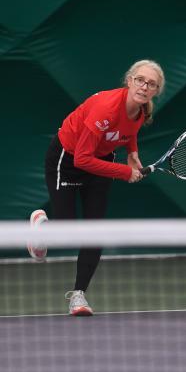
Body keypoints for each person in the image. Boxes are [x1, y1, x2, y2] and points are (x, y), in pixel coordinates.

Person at [28, 59, 165, 316]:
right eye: (140, 80)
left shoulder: (143, 109)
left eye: (151, 84)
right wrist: (125, 172)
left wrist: (132, 152)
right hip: (68, 158)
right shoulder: (105, 109)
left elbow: (129, 129)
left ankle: (79, 295)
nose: (144, 87)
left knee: (94, 230)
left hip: (101, 159)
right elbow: (82, 159)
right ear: (129, 81)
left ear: (156, 91)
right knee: (67, 231)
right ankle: (42, 230)